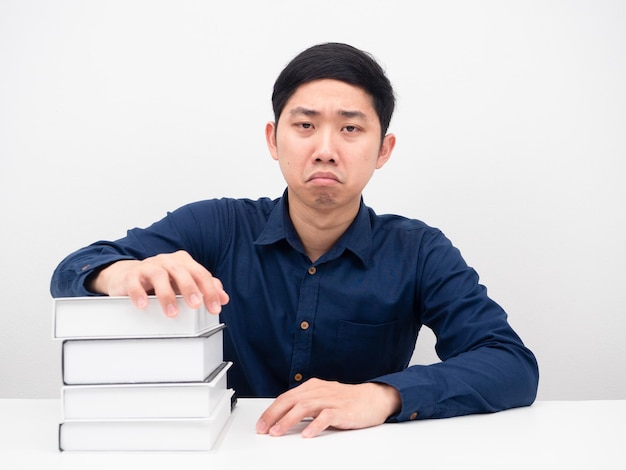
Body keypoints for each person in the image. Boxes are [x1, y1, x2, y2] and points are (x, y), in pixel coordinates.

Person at [51, 42, 539, 438]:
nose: (325, 149)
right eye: (305, 126)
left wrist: (381, 395)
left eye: (350, 129)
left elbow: (510, 363)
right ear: (273, 139)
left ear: (383, 149)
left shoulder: (419, 250)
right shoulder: (217, 225)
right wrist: (122, 273)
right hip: (228, 449)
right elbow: (74, 269)